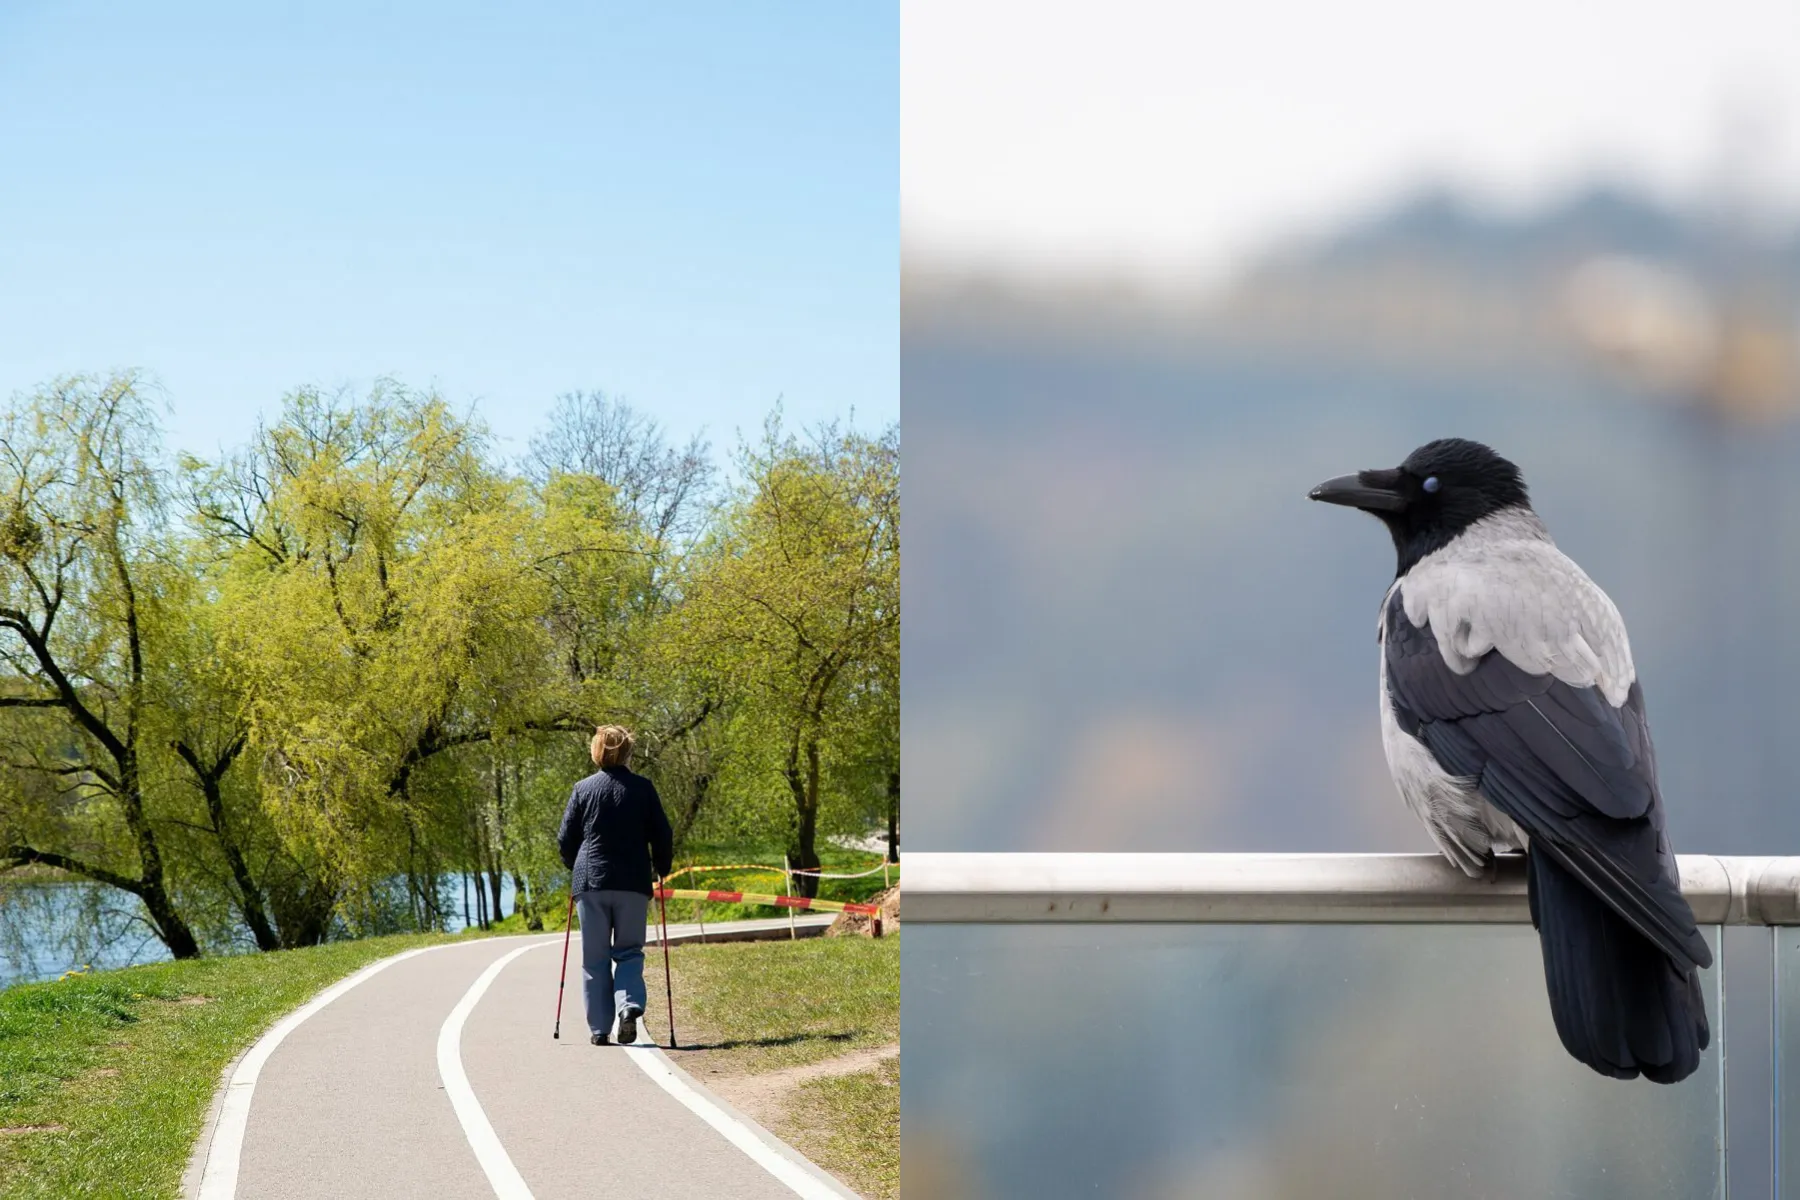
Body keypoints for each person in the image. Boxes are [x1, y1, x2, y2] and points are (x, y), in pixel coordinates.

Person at [556, 724, 674, 1045]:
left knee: (594, 959)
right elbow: (662, 835)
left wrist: (572, 865)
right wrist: (663, 867)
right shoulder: (644, 788)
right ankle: (629, 1006)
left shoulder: (583, 789)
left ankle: (599, 1030)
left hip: (591, 884)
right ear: (628, 752)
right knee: (629, 952)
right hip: (633, 884)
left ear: (596, 752)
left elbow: (566, 839)